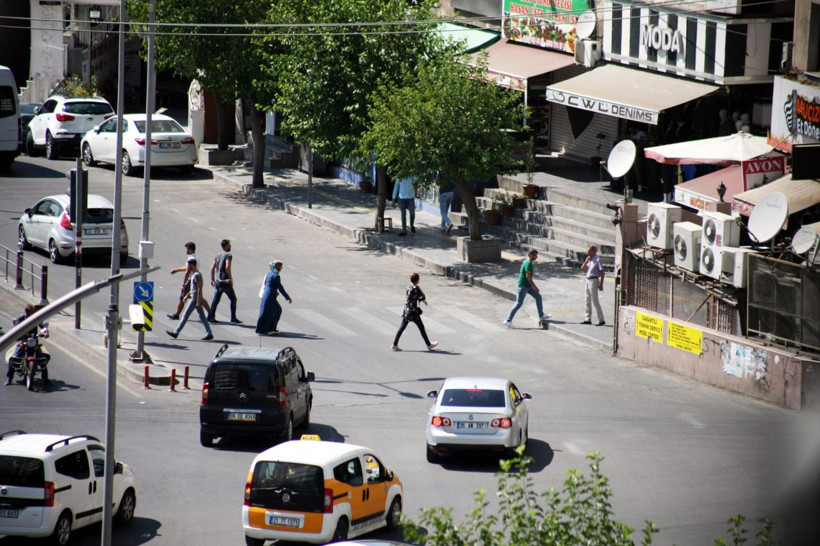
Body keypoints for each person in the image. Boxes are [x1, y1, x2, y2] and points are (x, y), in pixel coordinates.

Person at [166, 258, 213, 341]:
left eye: (188, 265)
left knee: (185, 315)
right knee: (202, 316)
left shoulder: (197, 275)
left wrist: (198, 301)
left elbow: (199, 288)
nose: (187, 267)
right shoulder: (194, 274)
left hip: (195, 299)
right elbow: (193, 288)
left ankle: (176, 332)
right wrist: (187, 296)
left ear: (192, 265)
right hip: (195, 297)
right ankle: (209, 333)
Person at [392, 272, 438, 351]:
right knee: (421, 327)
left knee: (402, 327)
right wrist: (424, 301)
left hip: (407, 310)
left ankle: (395, 344)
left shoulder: (409, 287)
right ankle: (429, 344)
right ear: (417, 280)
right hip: (413, 311)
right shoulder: (415, 288)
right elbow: (421, 296)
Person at [5, 304, 49, 386]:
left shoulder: (36, 318)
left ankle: (45, 379)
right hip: (23, 339)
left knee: (42, 358)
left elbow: (43, 326)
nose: (29, 314)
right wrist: (17, 332)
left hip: (33, 340)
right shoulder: (22, 318)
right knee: (14, 358)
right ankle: (9, 378)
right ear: (26, 312)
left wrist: (45, 332)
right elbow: (16, 325)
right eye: (28, 312)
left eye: (31, 312)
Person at [503, 249, 549, 328]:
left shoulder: (528, 262)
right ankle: (508, 320)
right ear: (530, 255)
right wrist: (535, 287)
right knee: (518, 303)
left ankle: (541, 315)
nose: (536, 257)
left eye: (536, 255)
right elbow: (528, 276)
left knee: (538, 297)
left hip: (527, 286)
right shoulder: (528, 263)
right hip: (523, 286)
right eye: (534, 255)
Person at [167, 241, 210, 320]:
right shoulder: (195, 257)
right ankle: (211, 314)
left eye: (187, 248)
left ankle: (177, 314)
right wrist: (177, 270)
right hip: (194, 278)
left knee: (182, 297)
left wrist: (183, 284)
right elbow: (187, 268)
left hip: (191, 280)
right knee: (200, 298)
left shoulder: (192, 258)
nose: (186, 250)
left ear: (190, 249)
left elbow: (187, 272)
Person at [208, 239, 240, 323]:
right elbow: (227, 267)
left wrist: (212, 279)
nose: (230, 246)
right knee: (233, 299)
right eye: (229, 245)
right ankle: (233, 317)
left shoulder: (218, 255)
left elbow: (212, 267)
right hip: (225, 281)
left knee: (216, 300)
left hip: (218, 281)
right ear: (225, 246)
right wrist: (230, 278)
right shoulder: (228, 255)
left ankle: (211, 316)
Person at [256, 260, 292, 335]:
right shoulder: (275, 276)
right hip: (270, 297)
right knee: (272, 312)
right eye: (279, 266)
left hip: (268, 295)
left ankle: (271, 328)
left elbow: (267, 284)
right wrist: (287, 298)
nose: (281, 268)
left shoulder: (269, 274)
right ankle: (265, 330)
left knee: (277, 310)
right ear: (275, 267)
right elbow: (280, 288)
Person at [580, 246, 605, 326]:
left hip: (594, 280)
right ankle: (587, 319)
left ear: (594, 251)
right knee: (587, 300)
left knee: (595, 301)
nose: (588, 253)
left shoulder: (597, 260)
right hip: (588, 280)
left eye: (589, 251)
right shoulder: (589, 259)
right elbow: (582, 268)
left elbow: (602, 272)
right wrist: (586, 261)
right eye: (588, 251)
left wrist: (601, 284)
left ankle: (601, 319)